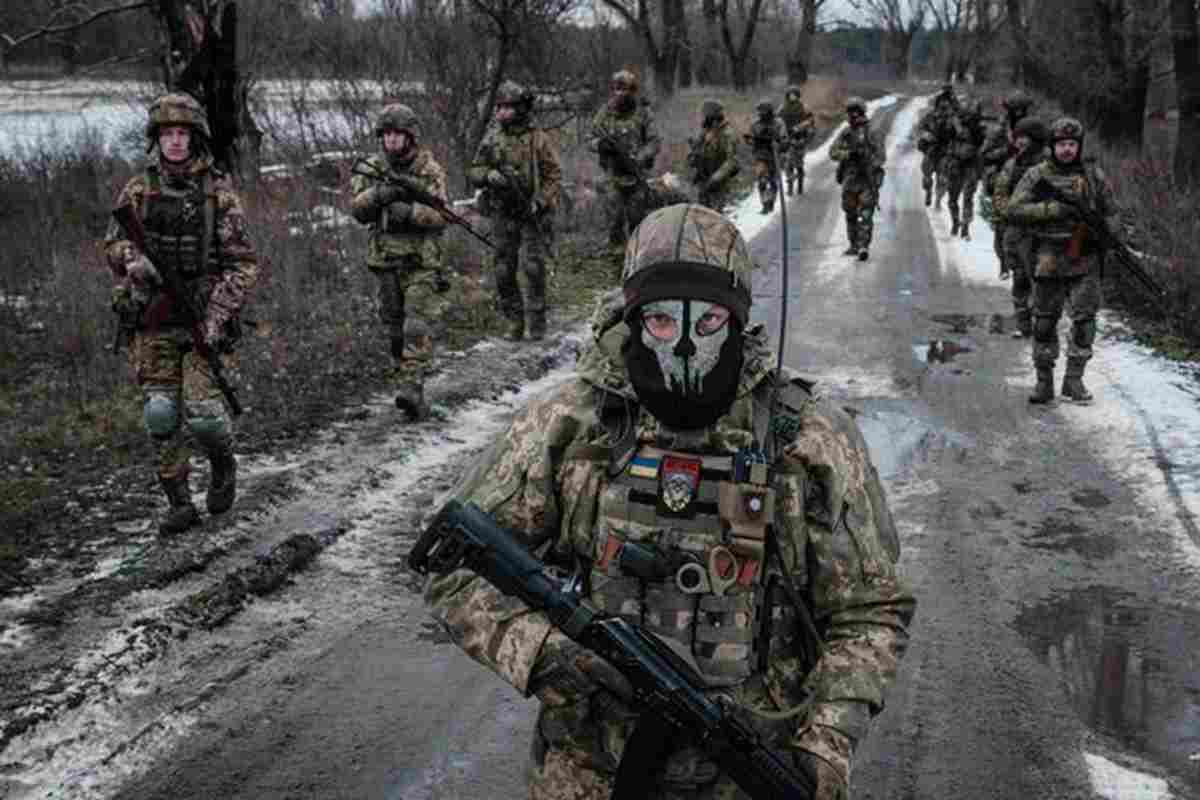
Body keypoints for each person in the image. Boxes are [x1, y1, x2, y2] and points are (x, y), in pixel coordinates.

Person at [423, 202, 915, 800]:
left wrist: (827, 746)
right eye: (660, 322)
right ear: (632, 318)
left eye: (706, 323)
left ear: (736, 320)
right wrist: (553, 656)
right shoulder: (569, 427)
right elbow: (456, 571)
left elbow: (870, 608)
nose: (682, 346)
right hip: (586, 772)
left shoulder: (808, 439)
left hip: (748, 773)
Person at [104, 92, 258, 535]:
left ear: (196, 138)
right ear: (157, 139)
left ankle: (223, 465)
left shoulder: (218, 193)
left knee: (206, 416)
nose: (174, 142)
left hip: (203, 319)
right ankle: (178, 502)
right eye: (167, 134)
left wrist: (216, 314)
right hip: (151, 319)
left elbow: (243, 264)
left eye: (182, 134)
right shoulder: (138, 190)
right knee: (160, 413)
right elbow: (111, 245)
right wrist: (133, 260)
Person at [350, 103, 451, 420]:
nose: (391, 140)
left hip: (421, 260)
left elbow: (442, 216)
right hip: (385, 259)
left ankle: (412, 390)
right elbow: (357, 208)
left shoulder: (428, 169)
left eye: (398, 134)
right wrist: (380, 196)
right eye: (387, 134)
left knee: (415, 326)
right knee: (394, 331)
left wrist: (410, 213)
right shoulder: (371, 167)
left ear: (410, 136)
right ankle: (407, 380)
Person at [1005, 117, 1116, 405]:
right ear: (1053, 146)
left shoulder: (1093, 176)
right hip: (1048, 258)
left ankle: (1074, 381)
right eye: (1062, 144)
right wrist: (1052, 210)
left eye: (1072, 144)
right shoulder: (1037, 175)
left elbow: (1111, 211)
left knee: (1084, 322)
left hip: (1085, 260)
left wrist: (1106, 234)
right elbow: (1014, 209)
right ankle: (1044, 382)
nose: (1067, 150)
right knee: (1043, 323)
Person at [468, 80, 563, 341]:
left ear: (520, 109)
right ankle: (514, 321)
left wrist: (540, 202)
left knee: (533, 268)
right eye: (499, 107)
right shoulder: (491, 138)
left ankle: (537, 321)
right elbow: (475, 170)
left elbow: (553, 175)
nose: (500, 112)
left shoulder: (537, 139)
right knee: (503, 269)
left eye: (507, 107)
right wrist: (489, 175)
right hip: (502, 212)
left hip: (531, 211)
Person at [589, 70, 662, 258]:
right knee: (614, 216)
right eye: (617, 89)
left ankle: (640, 254)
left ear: (633, 91)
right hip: (612, 173)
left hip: (637, 173)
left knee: (637, 215)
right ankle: (617, 255)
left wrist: (641, 157)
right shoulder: (605, 113)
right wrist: (600, 145)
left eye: (625, 89)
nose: (620, 93)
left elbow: (654, 142)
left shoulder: (644, 113)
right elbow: (590, 138)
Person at [992, 117, 1049, 339]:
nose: (1019, 142)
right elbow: (1000, 191)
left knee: (1040, 279)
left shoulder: (1048, 165)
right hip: (1015, 230)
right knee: (1019, 278)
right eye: (1018, 138)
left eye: (1024, 138)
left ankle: (1041, 324)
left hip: (1040, 231)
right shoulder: (1012, 163)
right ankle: (1023, 325)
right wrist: (1007, 211)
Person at [980, 90, 1036, 273]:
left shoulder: (1034, 127)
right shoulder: (998, 130)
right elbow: (985, 155)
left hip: (1030, 181)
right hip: (1004, 181)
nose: (1019, 113)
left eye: (1023, 109)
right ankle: (1005, 262)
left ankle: (1026, 268)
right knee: (1002, 228)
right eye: (1016, 109)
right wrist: (1007, 151)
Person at [830, 97, 886, 261]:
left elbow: (881, 156)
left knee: (866, 213)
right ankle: (854, 244)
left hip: (867, 179)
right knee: (850, 213)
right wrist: (848, 155)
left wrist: (870, 163)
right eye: (850, 112)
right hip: (850, 179)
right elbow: (832, 152)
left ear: (862, 113)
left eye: (856, 112)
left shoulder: (872, 132)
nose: (853, 116)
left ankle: (863, 246)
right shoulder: (846, 133)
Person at [943, 99, 988, 240]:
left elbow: (979, 141)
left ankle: (965, 227)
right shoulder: (954, 127)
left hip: (970, 166)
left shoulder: (977, 130)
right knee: (953, 199)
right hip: (955, 165)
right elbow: (946, 136)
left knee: (967, 199)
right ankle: (956, 222)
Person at [686, 98, 740, 213]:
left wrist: (714, 179)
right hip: (703, 182)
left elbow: (731, 161)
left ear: (712, 116)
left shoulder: (727, 134)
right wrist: (694, 155)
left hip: (718, 184)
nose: (702, 118)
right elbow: (693, 156)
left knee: (714, 217)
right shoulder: (704, 133)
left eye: (704, 115)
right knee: (702, 216)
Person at [915, 84, 959, 209]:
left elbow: (960, 131)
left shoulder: (954, 117)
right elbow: (920, 128)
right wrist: (926, 135)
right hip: (932, 147)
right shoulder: (931, 116)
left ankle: (938, 199)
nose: (944, 108)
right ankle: (929, 191)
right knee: (927, 173)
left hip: (947, 149)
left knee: (943, 178)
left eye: (946, 106)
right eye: (942, 106)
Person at [743, 98, 786, 213]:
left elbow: (784, 138)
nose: (761, 114)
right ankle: (765, 203)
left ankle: (771, 201)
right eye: (759, 112)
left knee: (773, 181)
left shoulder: (778, 123)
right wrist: (752, 140)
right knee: (762, 180)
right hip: (760, 155)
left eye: (763, 111)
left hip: (774, 156)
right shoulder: (756, 125)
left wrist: (778, 143)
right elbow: (749, 138)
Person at [779, 85, 816, 196]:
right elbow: (777, 120)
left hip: (800, 138)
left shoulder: (804, 107)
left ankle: (800, 185)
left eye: (794, 95)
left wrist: (800, 127)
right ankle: (790, 186)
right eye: (790, 95)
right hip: (787, 138)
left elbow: (810, 121)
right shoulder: (782, 108)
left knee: (799, 164)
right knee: (788, 163)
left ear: (798, 96)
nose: (792, 97)